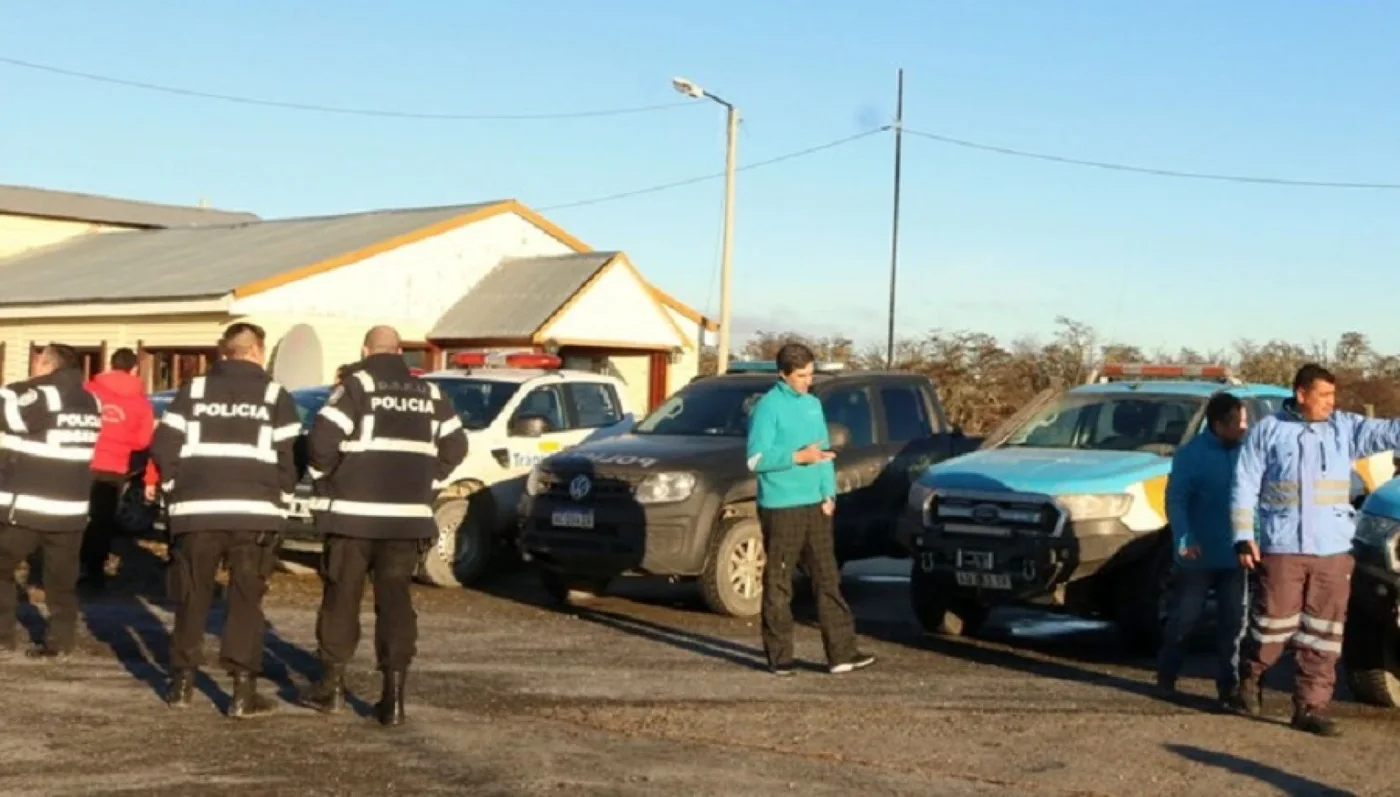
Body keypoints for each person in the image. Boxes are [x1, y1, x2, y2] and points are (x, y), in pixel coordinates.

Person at [297, 326, 467, 725]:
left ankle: (332, 688)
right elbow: (457, 447)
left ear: (365, 349)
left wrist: (327, 476)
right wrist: (427, 478)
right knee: (395, 603)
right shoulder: (431, 394)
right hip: (405, 520)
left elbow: (321, 441)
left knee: (342, 598)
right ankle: (393, 699)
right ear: (401, 351)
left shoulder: (356, 387)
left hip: (353, 516)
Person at [1232, 363, 1400, 736]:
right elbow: (1244, 485)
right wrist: (1244, 535)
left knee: (1324, 632)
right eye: (1324, 395)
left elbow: (1390, 432)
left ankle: (1310, 707)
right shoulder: (1269, 431)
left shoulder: (1345, 428)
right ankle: (1250, 673)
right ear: (1301, 394)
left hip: (1333, 549)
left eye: (1333, 396)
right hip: (1282, 546)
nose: (1331, 403)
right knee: (1272, 625)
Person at [151, 323, 301, 717]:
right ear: (257, 350)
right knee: (245, 601)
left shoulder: (194, 390)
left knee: (192, 596)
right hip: (255, 514)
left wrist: (173, 487)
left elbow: (164, 443)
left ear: (224, 352)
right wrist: (282, 496)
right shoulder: (274, 394)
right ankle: (241, 690)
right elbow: (290, 454)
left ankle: (181, 683)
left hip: (196, 512)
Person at [746, 342, 874, 676]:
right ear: (782, 374)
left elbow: (822, 453)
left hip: (815, 505)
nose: (807, 381)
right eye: (801, 376)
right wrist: (795, 458)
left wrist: (828, 494)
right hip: (781, 506)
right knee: (779, 582)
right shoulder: (768, 407)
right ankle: (780, 658)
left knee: (828, 578)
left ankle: (842, 653)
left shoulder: (814, 405)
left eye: (810, 374)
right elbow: (755, 459)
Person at [0, 344, 103, 659]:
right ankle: (61, 641)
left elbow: (7, 410)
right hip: (71, 508)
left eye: (37, 362)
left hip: (30, 506)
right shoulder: (92, 400)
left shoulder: (41, 395)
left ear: (47, 364)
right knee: (61, 580)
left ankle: (3, 636)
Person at [1156, 392, 1250, 709]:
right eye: (1239, 422)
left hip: (1235, 553)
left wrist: (1255, 539)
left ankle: (1229, 688)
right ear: (1219, 424)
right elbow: (1176, 499)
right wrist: (1184, 536)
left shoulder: (1247, 453)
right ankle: (1167, 673)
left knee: (1234, 622)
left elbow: (1256, 501)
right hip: (1196, 554)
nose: (1245, 427)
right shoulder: (1190, 455)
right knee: (1185, 618)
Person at [80, 347, 155, 591]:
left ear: (110, 365)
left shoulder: (89, 391)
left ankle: (63, 568)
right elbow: (143, 441)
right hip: (113, 467)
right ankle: (93, 574)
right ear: (134, 369)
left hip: (82, 460)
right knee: (102, 521)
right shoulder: (140, 401)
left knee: (74, 516)